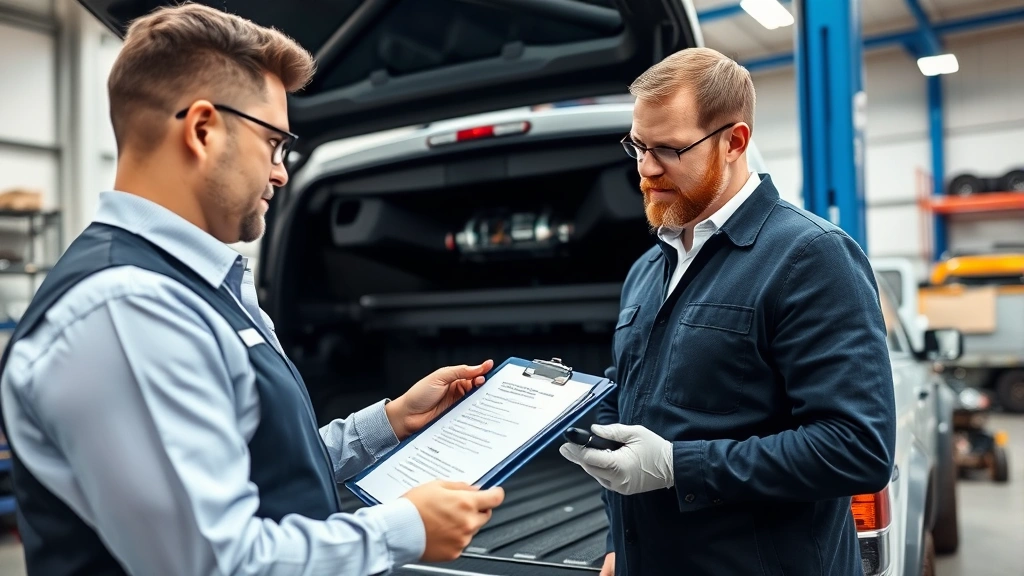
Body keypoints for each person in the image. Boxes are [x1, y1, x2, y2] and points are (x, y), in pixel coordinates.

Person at [0, 4, 504, 575]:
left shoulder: (190, 282)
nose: (281, 172)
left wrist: (386, 423)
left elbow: (248, 463)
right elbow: (217, 563)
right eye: (273, 142)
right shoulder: (125, 311)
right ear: (203, 129)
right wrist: (403, 529)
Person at [559, 47, 897, 576]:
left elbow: (856, 447)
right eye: (638, 146)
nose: (645, 170)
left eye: (668, 150)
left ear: (735, 141)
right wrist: (617, 542)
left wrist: (679, 465)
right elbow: (627, 397)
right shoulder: (649, 268)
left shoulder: (810, 257)